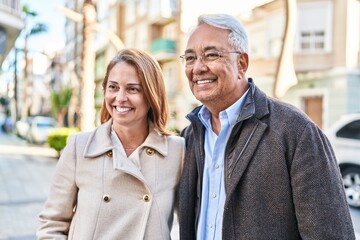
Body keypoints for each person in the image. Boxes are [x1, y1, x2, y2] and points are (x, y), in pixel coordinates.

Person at [178, 14, 355, 239]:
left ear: (242, 63)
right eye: (190, 58)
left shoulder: (296, 132)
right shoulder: (190, 137)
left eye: (211, 55)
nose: (198, 67)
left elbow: (331, 234)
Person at [37, 48, 184, 239]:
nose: (120, 98)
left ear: (151, 95)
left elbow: (192, 223)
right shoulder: (79, 147)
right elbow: (52, 224)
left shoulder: (177, 151)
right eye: (113, 87)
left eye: (133, 88)